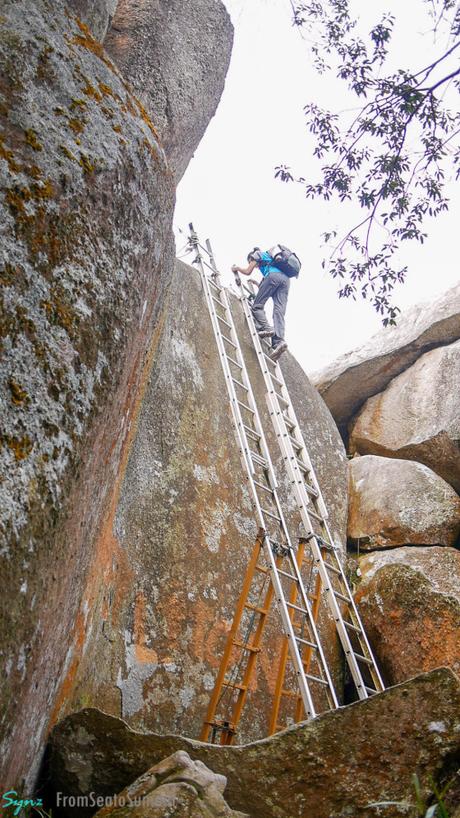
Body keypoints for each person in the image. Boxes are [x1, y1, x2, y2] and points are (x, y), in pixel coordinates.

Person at [232, 247, 290, 361]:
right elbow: (267, 288)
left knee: (257, 307)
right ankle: (279, 342)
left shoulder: (258, 254)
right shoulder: (270, 261)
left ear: (251, 258)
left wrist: (236, 268)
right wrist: (256, 283)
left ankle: (267, 328)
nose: (256, 267)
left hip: (273, 277)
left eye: (251, 262)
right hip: (286, 281)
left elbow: (248, 272)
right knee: (278, 312)